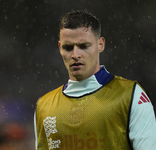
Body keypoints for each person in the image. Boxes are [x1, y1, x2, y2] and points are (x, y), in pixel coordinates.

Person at [34, 10, 156, 150]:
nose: (75, 55)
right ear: (60, 48)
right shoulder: (43, 107)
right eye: (68, 48)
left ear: (100, 45)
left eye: (83, 46)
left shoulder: (131, 96)